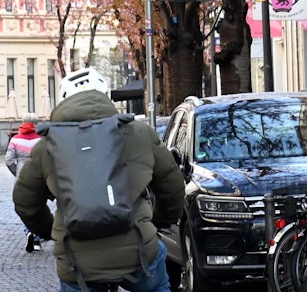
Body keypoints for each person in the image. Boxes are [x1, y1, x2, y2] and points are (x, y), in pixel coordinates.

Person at [13, 81, 184, 292]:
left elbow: (25, 201)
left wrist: (49, 230)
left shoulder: (47, 146)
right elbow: (172, 185)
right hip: (138, 250)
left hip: (76, 258)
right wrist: (160, 220)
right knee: (156, 283)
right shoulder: (140, 133)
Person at [5, 112, 44, 252]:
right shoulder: (41, 140)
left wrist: (17, 173)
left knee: (23, 207)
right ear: (36, 124)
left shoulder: (15, 139)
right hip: (39, 178)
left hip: (21, 179)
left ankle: (29, 231)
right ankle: (36, 238)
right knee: (39, 208)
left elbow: (8, 160)